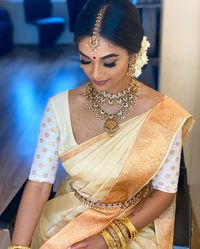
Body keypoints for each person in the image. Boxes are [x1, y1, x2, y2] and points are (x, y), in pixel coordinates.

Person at [9, 0, 194, 249]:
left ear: (135, 53)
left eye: (108, 62)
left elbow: (165, 192)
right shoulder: (59, 107)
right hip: (68, 219)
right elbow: (40, 183)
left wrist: (110, 238)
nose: (95, 73)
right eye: (85, 60)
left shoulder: (164, 115)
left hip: (134, 224)